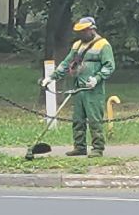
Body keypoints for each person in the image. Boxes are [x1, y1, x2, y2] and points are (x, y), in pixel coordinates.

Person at [45, 16, 117, 157]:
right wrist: (51, 77)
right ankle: (79, 147)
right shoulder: (77, 45)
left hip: (93, 89)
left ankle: (97, 148)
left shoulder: (103, 45)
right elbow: (67, 63)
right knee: (78, 119)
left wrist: (97, 79)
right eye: (79, 32)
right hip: (78, 88)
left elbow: (109, 66)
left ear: (92, 29)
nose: (81, 34)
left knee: (94, 119)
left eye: (83, 31)